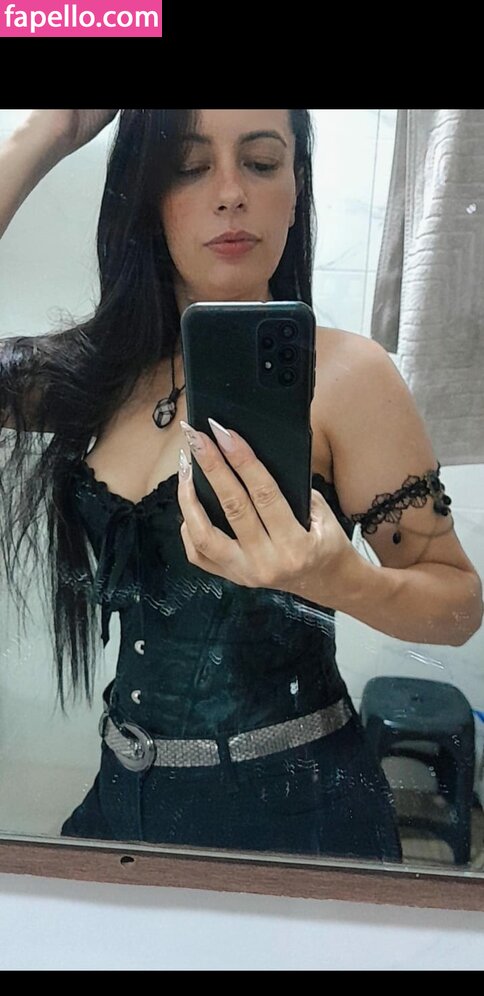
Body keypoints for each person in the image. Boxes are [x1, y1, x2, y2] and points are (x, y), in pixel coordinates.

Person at [0, 109, 482, 861]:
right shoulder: (97, 374)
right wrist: (46, 135)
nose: (230, 193)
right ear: (147, 196)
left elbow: (457, 605)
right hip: (121, 802)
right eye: (190, 167)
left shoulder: (350, 377)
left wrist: (342, 580)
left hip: (303, 815)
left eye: (261, 162)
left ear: (296, 189)